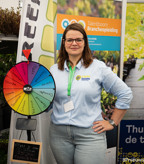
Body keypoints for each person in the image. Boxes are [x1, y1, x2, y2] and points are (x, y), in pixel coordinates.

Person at [49, 23, 133, 164]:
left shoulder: (97, 67)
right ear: (63, 43)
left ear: (85, 42)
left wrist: (112, 122)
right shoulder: (54, 70)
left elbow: (125, 93)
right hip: (59, 135)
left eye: (78, 40)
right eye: (69, 40)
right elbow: (48, 101)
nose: (74, 43)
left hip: (89, 135)